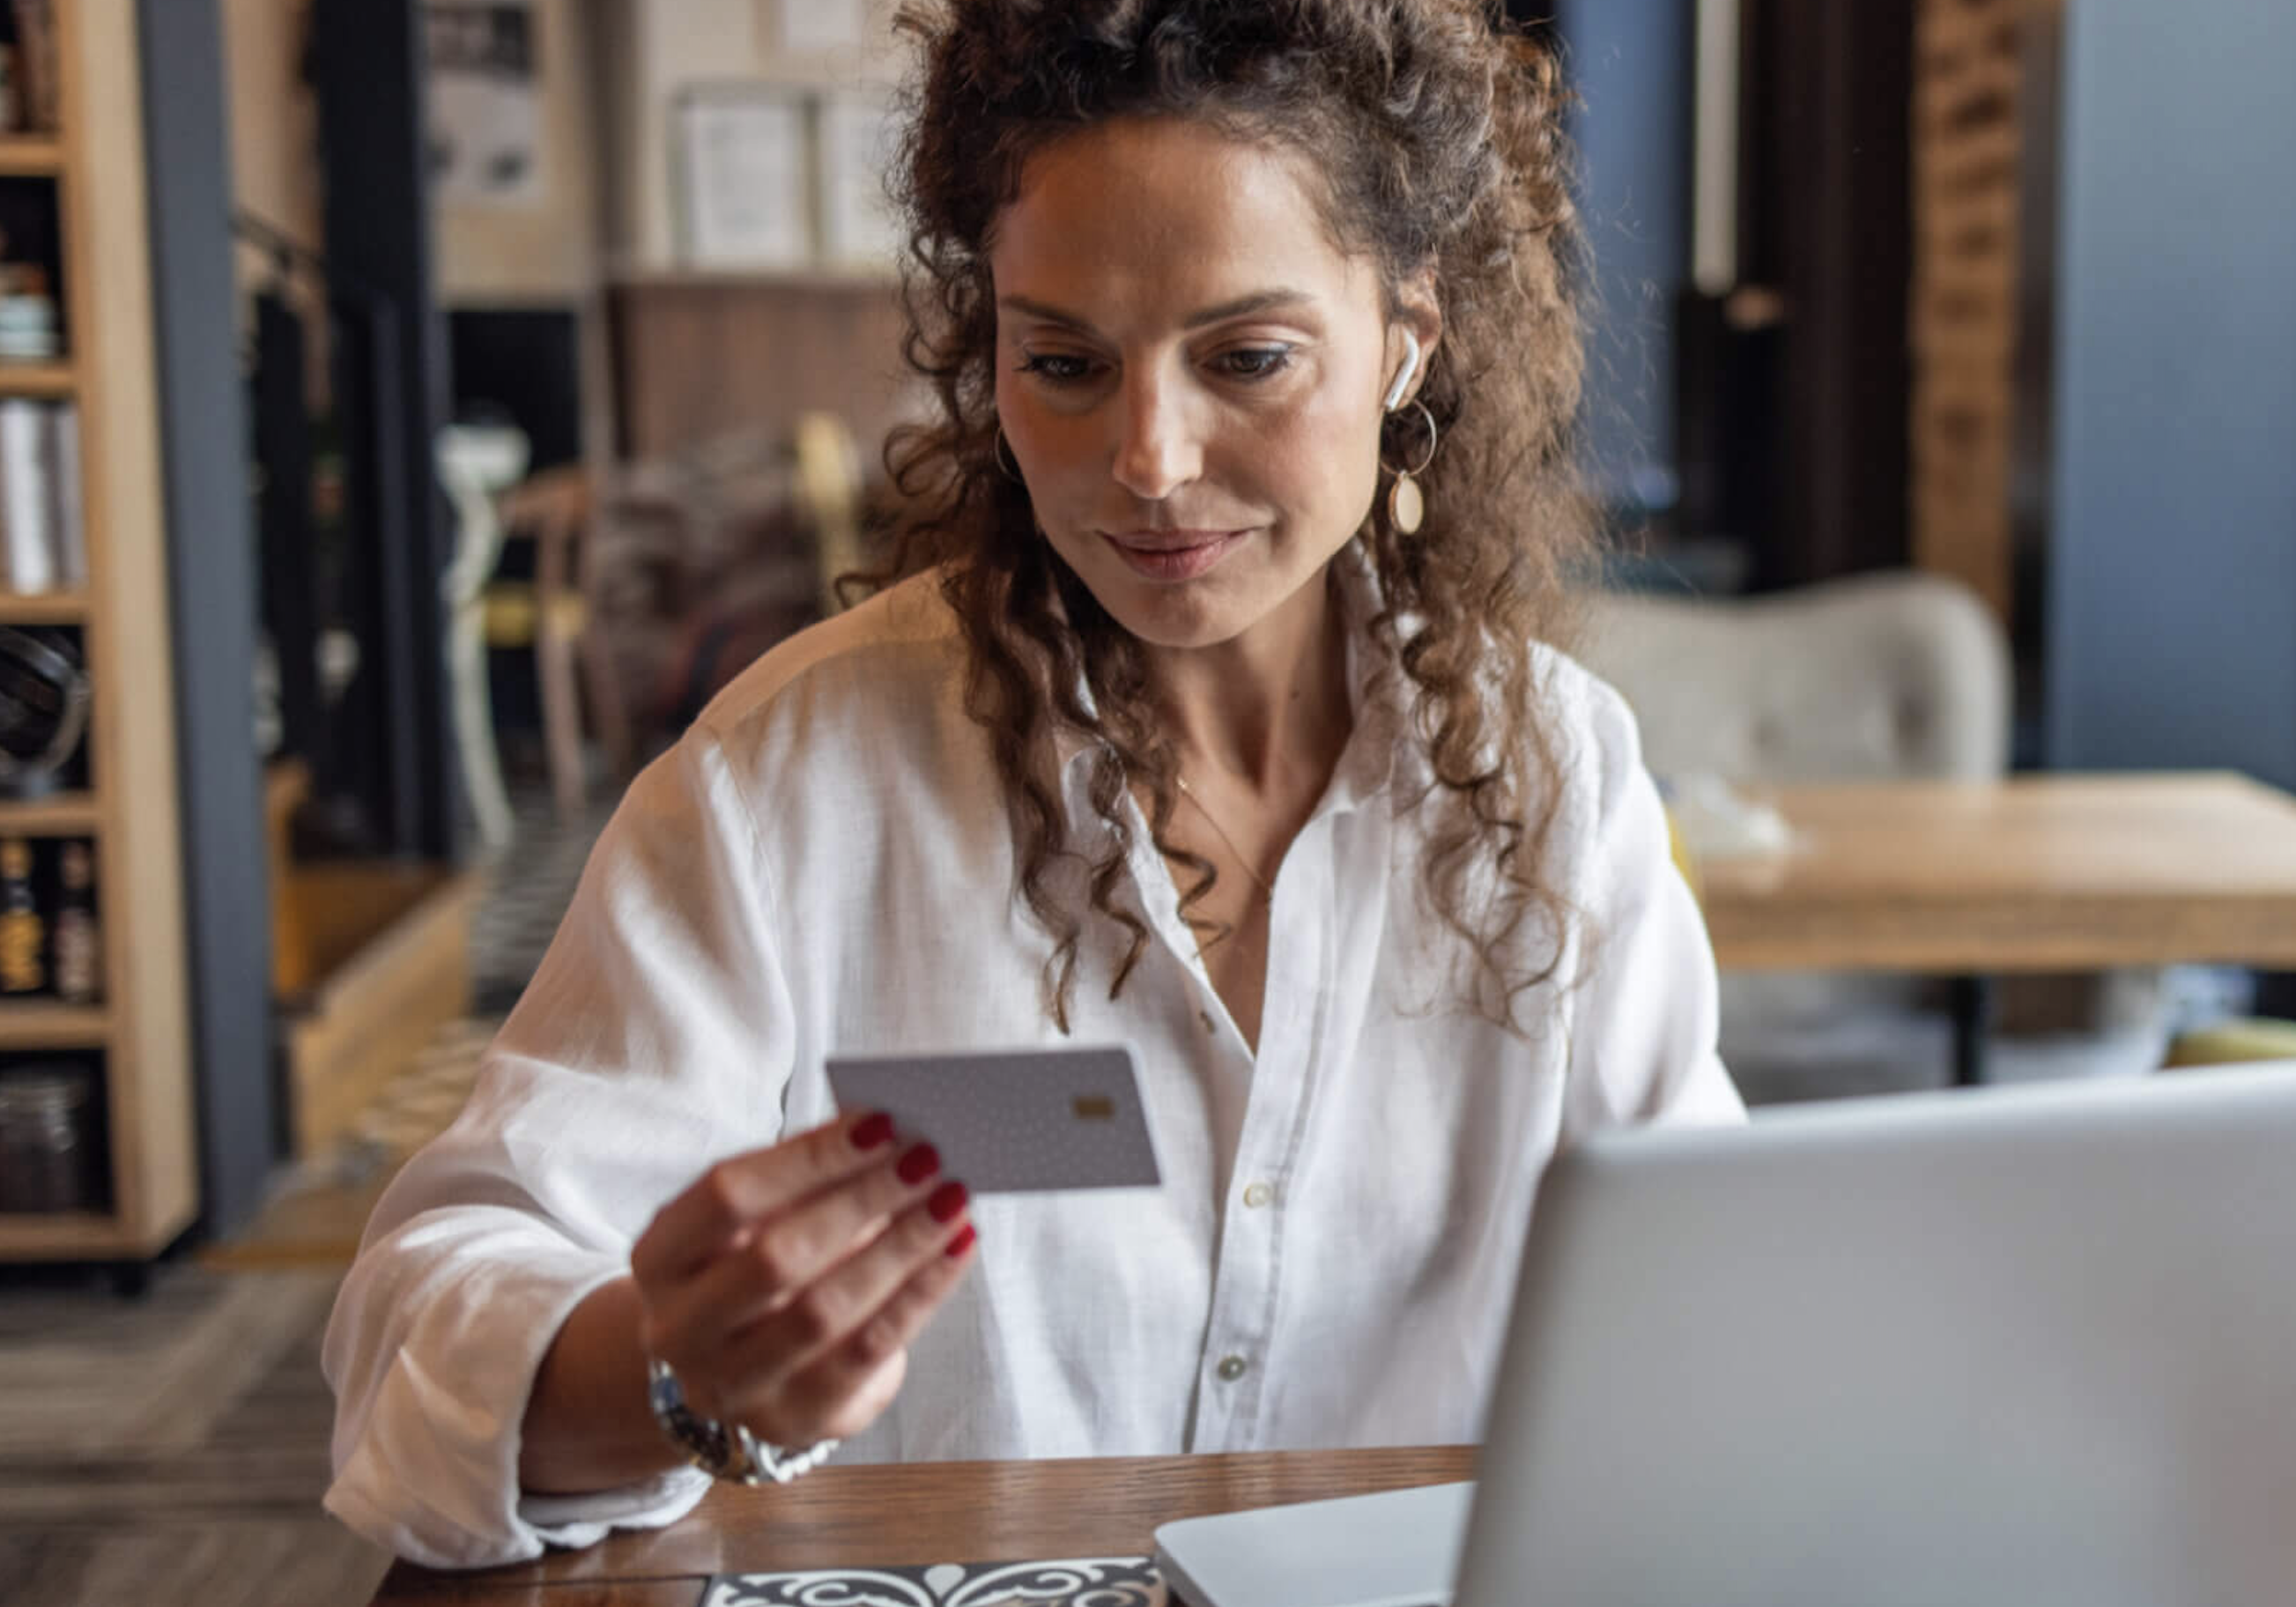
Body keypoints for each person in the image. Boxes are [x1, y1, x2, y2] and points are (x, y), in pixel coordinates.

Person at [322, 0, 1742, 1569]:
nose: (1144, 455)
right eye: (1062, 362)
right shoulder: (793, 782)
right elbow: (420, 1324)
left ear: (1407, 337)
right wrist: (667, 1371)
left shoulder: (1555, 777)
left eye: (1248, 357)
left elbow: (1706, 1299)